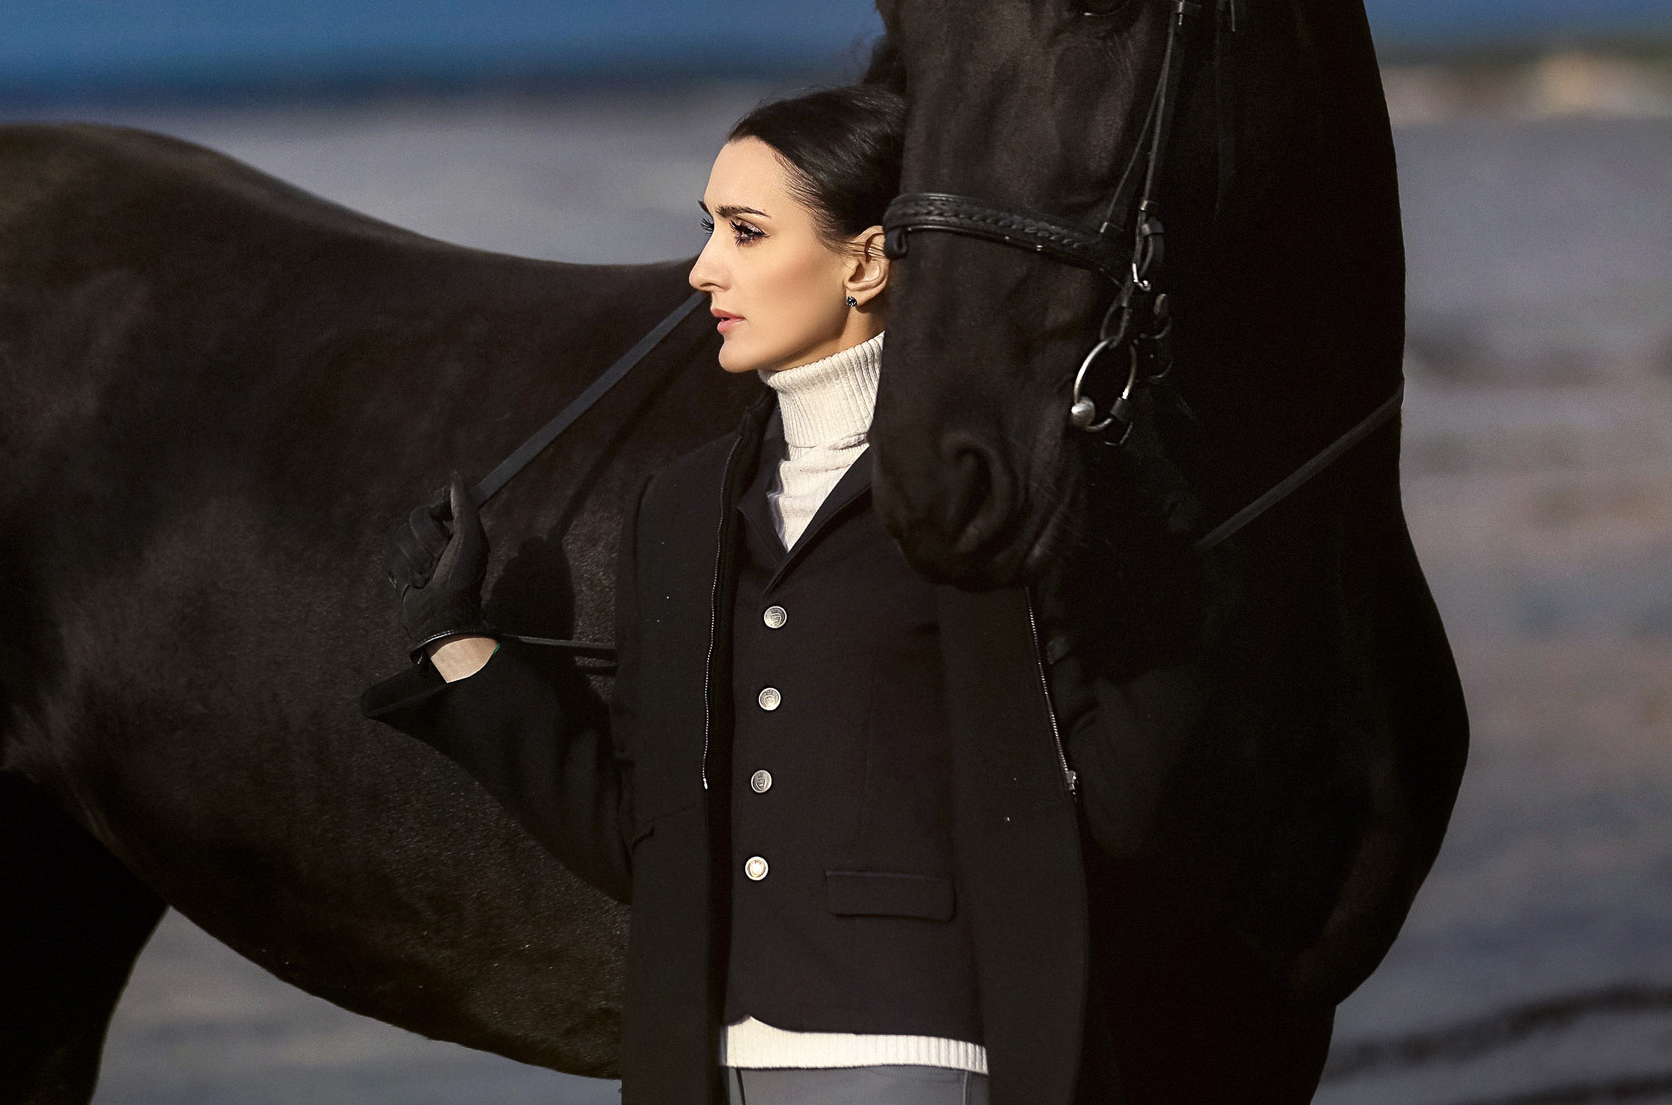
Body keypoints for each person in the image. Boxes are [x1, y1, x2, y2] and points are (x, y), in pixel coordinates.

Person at [361, 84, 1121, 1105]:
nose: (702, 268)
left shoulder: (989, 495)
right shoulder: (679, 511)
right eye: (710, 228)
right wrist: (458, 648)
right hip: (709, 1065)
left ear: (866, 259)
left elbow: (1106, 796)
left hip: (915, 1055)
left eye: (746, 232)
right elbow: (650, 835)